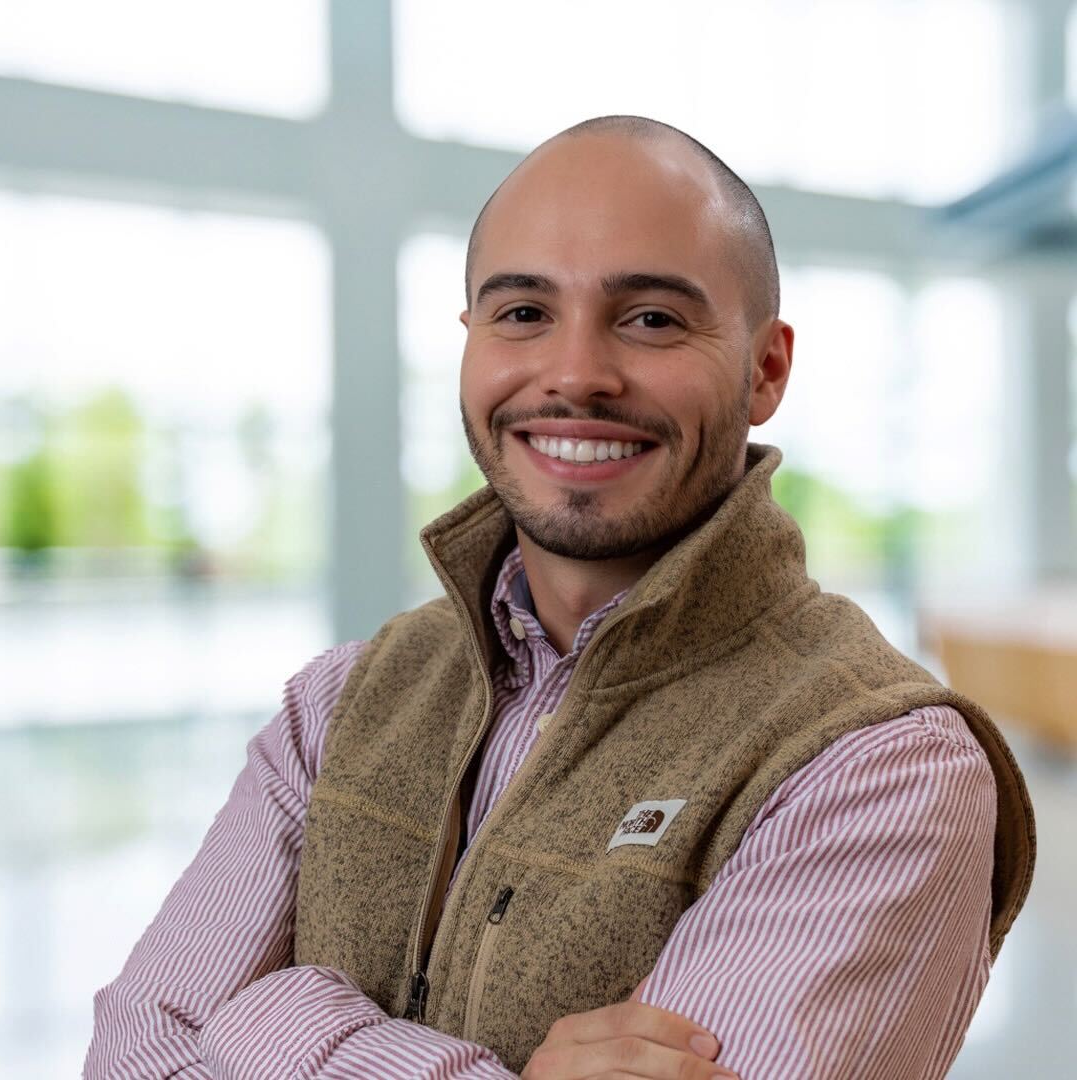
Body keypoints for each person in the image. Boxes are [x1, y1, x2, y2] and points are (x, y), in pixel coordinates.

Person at [84, 115, 1035, 1080]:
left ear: (766, 368)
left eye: (653, 317)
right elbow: (132, 1057)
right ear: (471, 343)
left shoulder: (875, 763)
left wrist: (269, 1021)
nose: (576, 373)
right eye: (524, 313)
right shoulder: (337, 705)